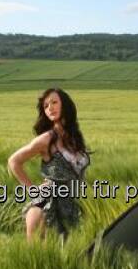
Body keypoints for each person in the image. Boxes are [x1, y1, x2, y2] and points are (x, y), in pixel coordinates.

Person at [7, 88, 90, 241]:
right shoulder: (46, 139)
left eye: (54, 102)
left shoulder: (75, 138)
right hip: (48, 207)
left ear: (65, 105)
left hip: (74, 206)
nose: (50, 108)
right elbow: (14, 161)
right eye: (45, 106)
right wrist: (33, 190)